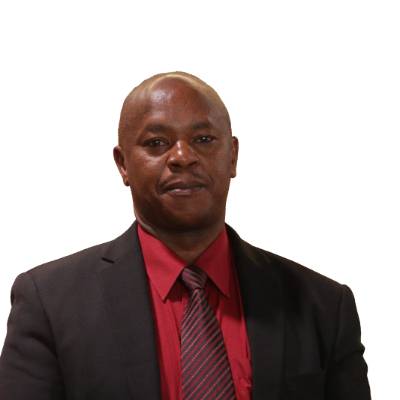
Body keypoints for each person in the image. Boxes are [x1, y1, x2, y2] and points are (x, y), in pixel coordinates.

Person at [0, 72, 371, 399]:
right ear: (123, 164)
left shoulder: (323, 306)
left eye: (204, 139)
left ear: (232, 156)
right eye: (156, 143)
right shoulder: (49, 304)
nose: (182, 156)